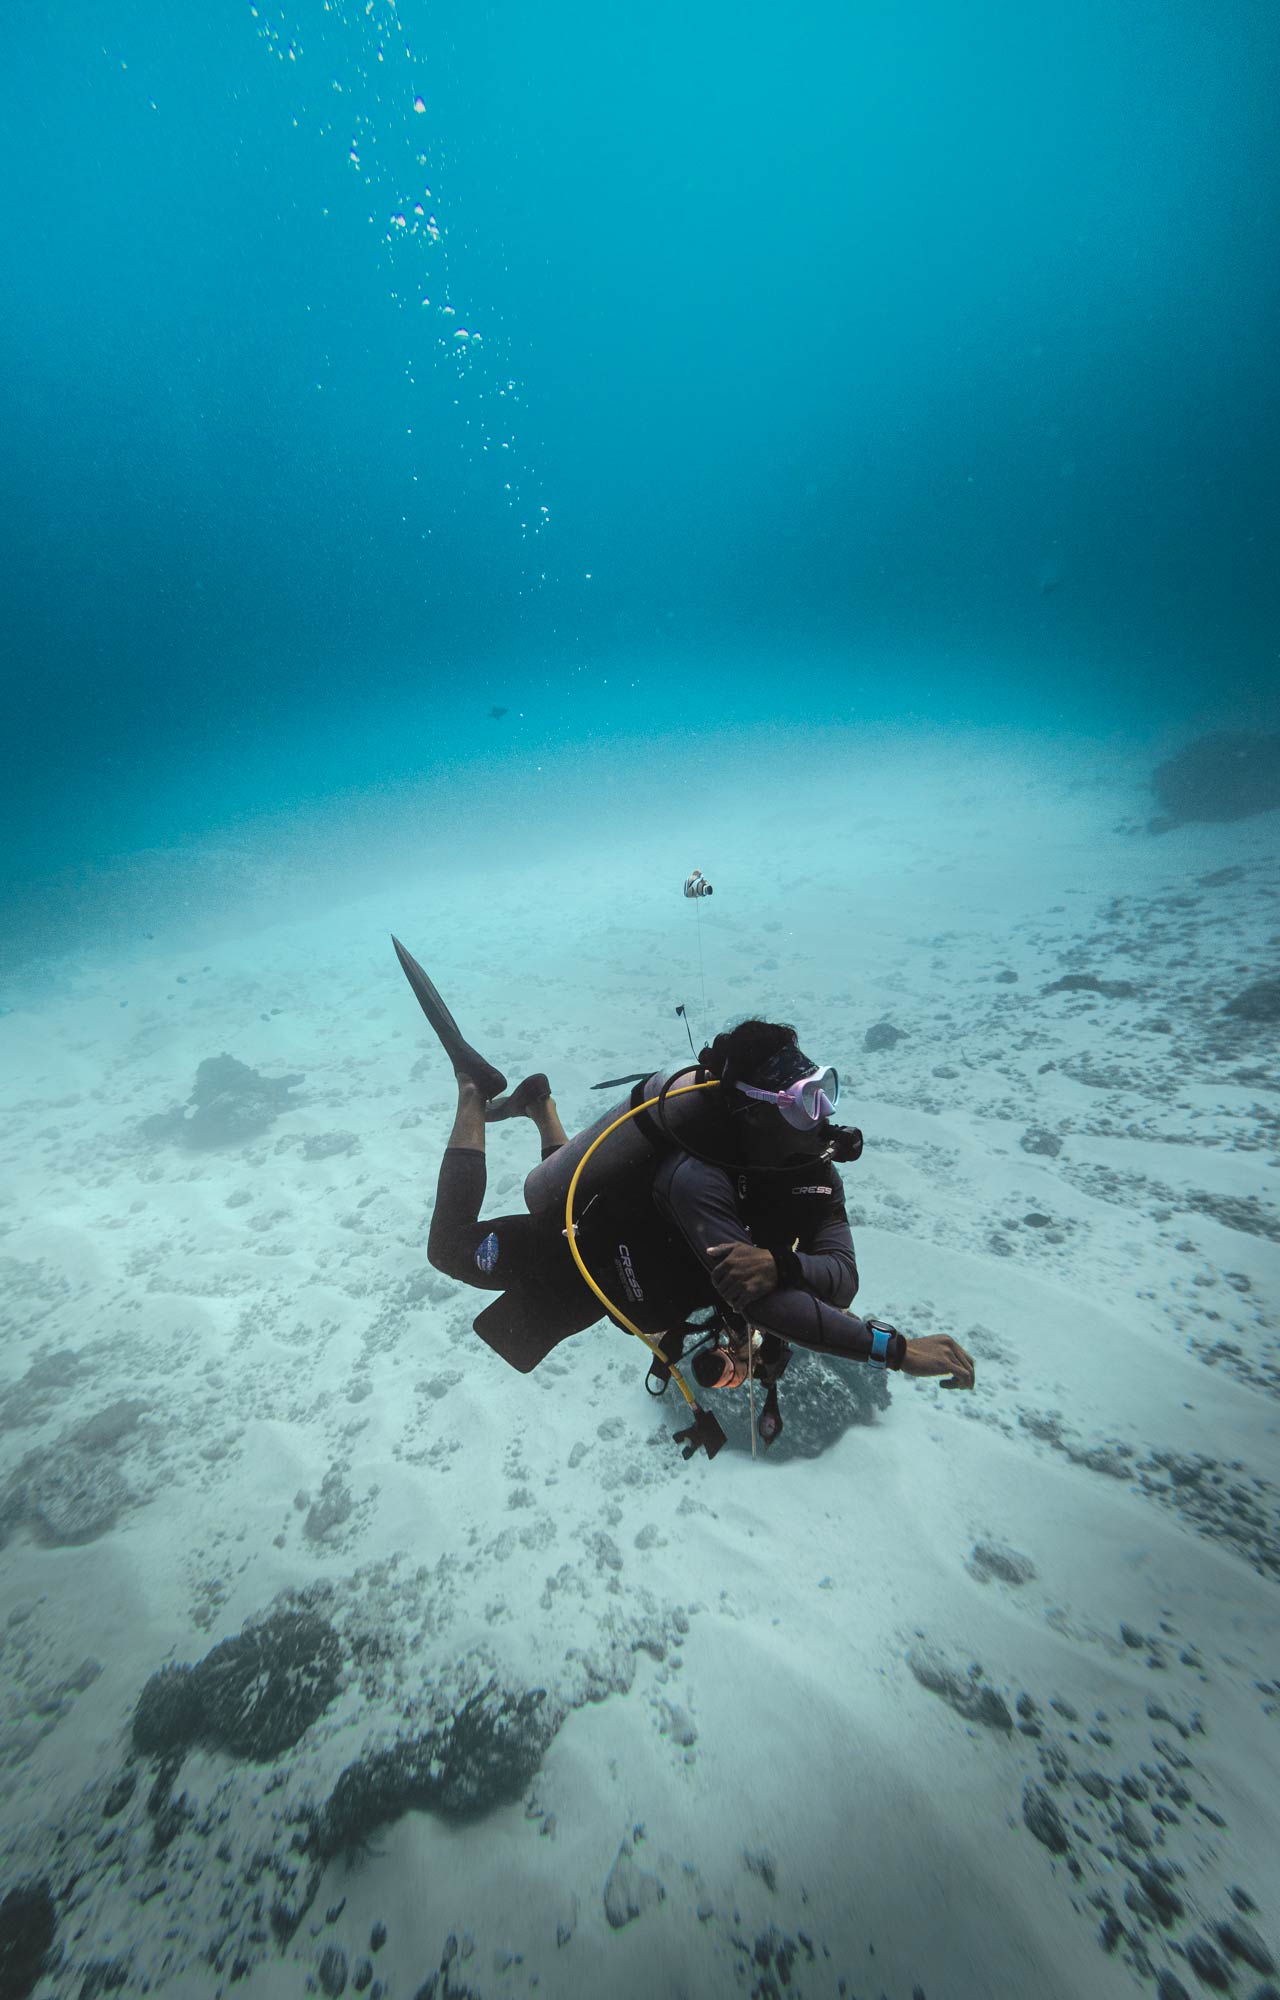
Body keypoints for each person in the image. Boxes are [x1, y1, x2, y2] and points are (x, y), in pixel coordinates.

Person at [393, 938, 975, 1449]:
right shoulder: (695, 1178)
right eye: (801, 1101)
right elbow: (764, 1306)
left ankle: (540, 1106)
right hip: (566, 1253)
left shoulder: (811, 1172)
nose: (820, 1117)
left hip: (611, 1291)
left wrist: (781, 1264)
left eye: (823, 1091)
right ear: (753, 1113)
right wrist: (897, 1351)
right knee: (448, 1247)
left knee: (560, 1256)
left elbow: (843, 1279)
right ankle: (473, 1091)